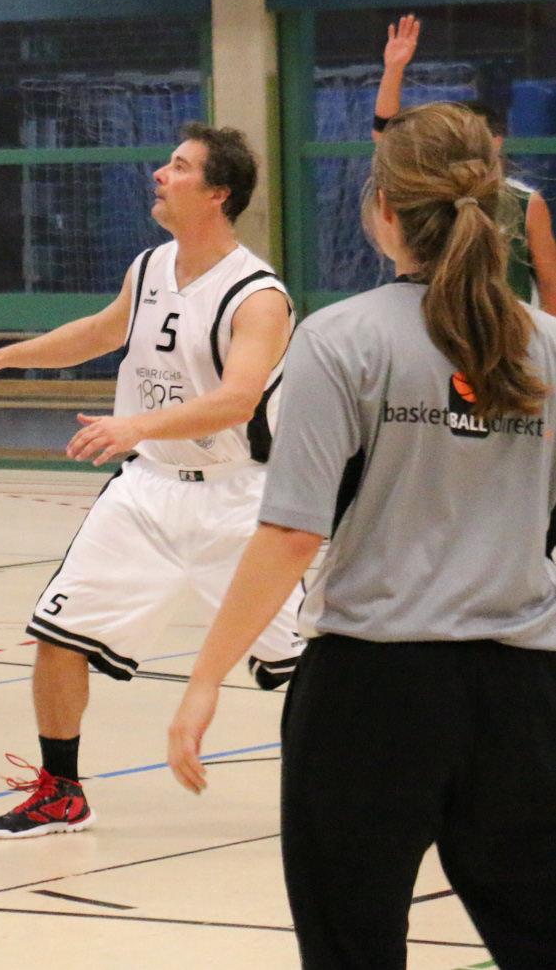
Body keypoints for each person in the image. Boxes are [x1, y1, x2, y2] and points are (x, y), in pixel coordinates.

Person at [169, 102, 556, 968]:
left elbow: (289, 534)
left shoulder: (339, 339)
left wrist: (203, 678)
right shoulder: (546, 346)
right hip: (523, 694)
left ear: (382, 208)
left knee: (352, 947)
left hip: (370, 693)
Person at [0, 124, 298, 838]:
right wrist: (0, 358)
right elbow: (100, 332)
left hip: (238, 500)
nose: (159, 174)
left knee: (304, 666)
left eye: (179, 166)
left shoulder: (258, 296)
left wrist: (133, 426)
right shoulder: (151, 265)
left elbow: (238, 400)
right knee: (57, 634)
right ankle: (60, 791)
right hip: (147, 491)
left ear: (217, 194)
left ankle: (369, 783)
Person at [372, 13, 556, 309]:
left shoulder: (523, 202)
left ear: (496, 142)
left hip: (506, 328)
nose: (464, 144)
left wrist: (546, 331)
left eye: (474, 135)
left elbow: (550, 281)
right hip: (436, 321)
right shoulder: (431, 191)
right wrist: (393, 70)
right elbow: (387, 138)